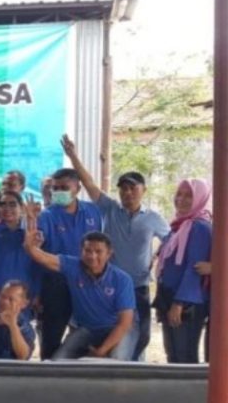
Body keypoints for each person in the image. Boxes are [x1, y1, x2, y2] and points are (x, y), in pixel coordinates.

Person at [62, 135, 170, 360]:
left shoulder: (154, 218)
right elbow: (90, 184)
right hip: (109, 285)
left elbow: (172, 242)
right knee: (111, 333)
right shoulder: (110, 209)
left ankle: (133, 373)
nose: (127, 193)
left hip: (139, 287)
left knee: (141, 338)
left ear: (143, 190)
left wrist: (157, 257)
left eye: (132, 188)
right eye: (123, 189)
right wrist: (73, 156)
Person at [24, 228, 137, 361]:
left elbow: (125, 323)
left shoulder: (122, 279)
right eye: (87, 251)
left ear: (109, 253)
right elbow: (44, 259)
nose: (92, 256)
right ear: (81, 251)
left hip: (118, 329)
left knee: (116, 362)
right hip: (86, 329)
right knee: (57, 362)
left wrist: (102, 350)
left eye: (98, 251)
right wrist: (29, 246)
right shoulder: (73, 266)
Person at [34, 167, 103, 359]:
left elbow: (101, 246)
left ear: (77, 188)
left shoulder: (93, 212)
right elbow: (35, 253)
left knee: (87, 337)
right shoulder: (46, 216)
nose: (59, 192)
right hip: (56, 283)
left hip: (87, 283)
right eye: (55, 188)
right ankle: (49, 373)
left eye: (64, 188)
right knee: (51, 338)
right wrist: (37, 291)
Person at [155, 179, 212, 363]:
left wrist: (179, 303)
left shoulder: (199, 227)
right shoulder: (178, 226)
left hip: (187, 302)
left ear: (200, 199)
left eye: (189, 196)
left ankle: (191, 385)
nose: (181, 199)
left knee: (184, 355)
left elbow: (194, 268)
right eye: (179, 194)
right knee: (172, 355)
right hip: (169, 297)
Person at [0, 192, 40, 301]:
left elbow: (38, 266)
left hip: (21, 297)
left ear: (22, 208)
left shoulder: (33, 233)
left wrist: (37, 293)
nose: (7, 208)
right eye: (3, 204)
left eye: (12, 204)